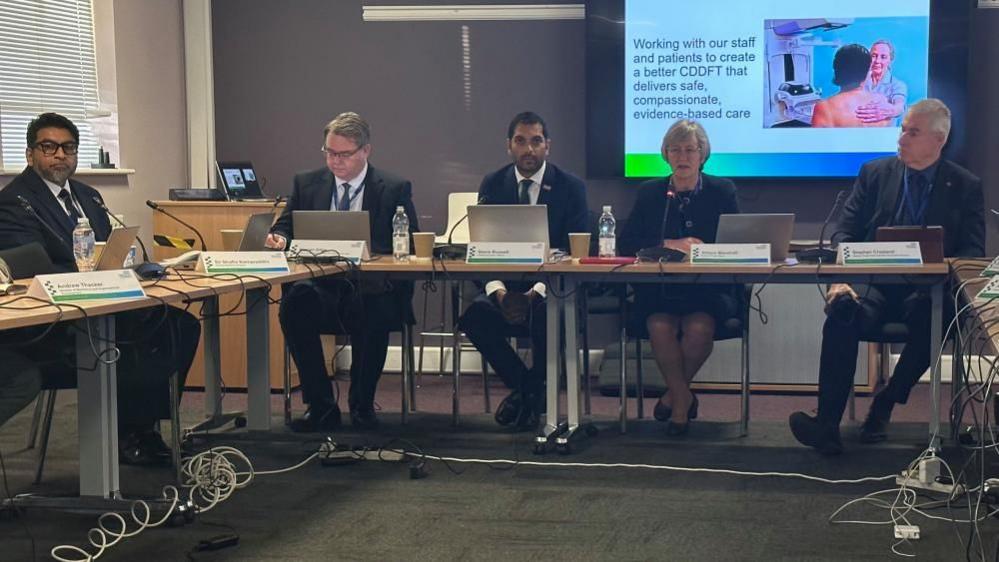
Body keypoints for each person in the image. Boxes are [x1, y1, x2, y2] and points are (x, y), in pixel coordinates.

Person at [0, 112, 202, 464]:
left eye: (68, 147)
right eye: (49, 147)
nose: (60, 155)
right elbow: (35, 267)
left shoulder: (88, 196)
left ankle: (142, 428)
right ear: (31, 154)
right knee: (134, 339)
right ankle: (128, 434)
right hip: (56, 321)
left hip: (105, 303)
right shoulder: (14, 202)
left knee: (178, 326)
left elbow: (109, 248)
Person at [790, 99, 985, 454]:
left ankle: (887, 401)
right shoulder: (875, 173)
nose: (902, 138)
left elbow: (972, 251)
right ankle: (827, 425)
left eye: (913, 132)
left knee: (939, 320)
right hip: (874, 286)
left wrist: (941, 267)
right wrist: (843, 276)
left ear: (939, 140)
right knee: (841, 314)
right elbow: (843, 233)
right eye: (903, 128)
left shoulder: (965, 185)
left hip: (929, 293)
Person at [267, 112, 418, 432]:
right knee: (294, 304)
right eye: (329, 152)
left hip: (370, 286)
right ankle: (321, 405)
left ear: (365, 151)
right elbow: (286, 225)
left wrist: (370, 251)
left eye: (343, 154)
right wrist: (280, 238)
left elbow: (409, 241)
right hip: (322, 285)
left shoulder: (393, 188)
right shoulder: (306, 183)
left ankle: (362, 404)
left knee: (373, 309)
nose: (335, 161)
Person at [458, 111, 587, 429]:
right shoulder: (493, 183)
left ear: (548, 146)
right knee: (474, 318)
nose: (528, 149)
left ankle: (526, 394)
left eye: (536, 141)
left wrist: (534, 293)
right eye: (520, 141)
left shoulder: (570, 187)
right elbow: (482, 248)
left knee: (548, 318)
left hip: (551, 289)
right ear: (509, 146)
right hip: (505, 289)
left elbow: (577, 250)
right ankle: (530, 390)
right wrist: (499, 292)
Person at [619, 119, 740, 436]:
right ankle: (682, 404)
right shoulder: (650, 193)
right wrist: (669, 245)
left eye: (690, 149)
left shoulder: (722, 191)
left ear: (703, 154)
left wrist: (704, 249)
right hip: (659, 290)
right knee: (660, 325)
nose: (683, 156)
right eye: (676, 150)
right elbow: (626, 242)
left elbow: (737, 243)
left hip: (707, 291)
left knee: (699, 328)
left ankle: (673, 398)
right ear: (666, 155)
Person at [811, 44, 893, 128]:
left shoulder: (825, 108)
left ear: (837, 69)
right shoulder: (882, 103)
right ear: (868, 71)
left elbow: (818, 140)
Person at [856, 39, 907, 125]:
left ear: (890, 60)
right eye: (874, 56)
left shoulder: (898, 85)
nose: (877, 61)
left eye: (883, 57)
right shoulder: (859, 81)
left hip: (885, 135)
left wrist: (890, 110)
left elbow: (899, 106)